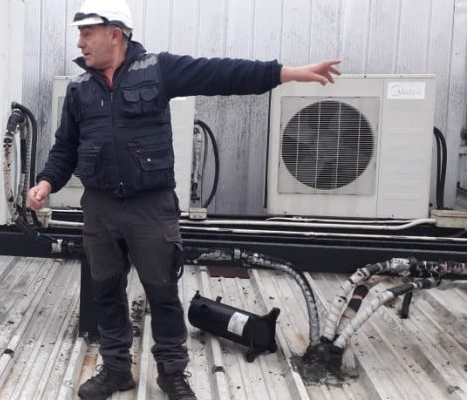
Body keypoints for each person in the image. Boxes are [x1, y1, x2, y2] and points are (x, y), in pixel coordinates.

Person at [28, 1, 341, 399]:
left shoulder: (159, 69)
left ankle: (172, 373)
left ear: (115, 34)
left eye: (88, 32)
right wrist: (45, 183)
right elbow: (65, 149)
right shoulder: (80, 90)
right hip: (101, 207)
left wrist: (286, 73)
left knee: (162, 293)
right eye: (80, 33)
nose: (80, 42)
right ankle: (116, 369)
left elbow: (223, 73)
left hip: (151, 207)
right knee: (105, 292)